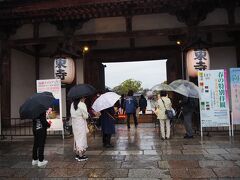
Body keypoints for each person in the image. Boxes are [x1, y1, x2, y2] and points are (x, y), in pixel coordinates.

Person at [70, 97, 89, 161]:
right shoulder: (82, 104)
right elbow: (86, 116)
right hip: (80, 122)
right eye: (84, 97)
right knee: (81, 138)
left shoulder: (72, 104)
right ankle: (80, 156)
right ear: (80, 98)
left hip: (74, 123)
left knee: (77, 138)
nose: (85, 98)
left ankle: (77, 154)